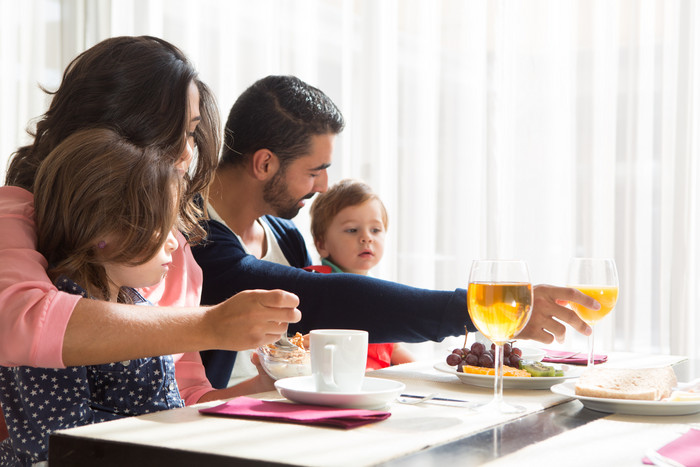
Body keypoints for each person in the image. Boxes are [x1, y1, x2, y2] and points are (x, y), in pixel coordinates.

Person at [193, 75, 598, 389]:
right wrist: (478, 308)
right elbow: (327, 300)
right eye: (315, 171)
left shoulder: (285, 235)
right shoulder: (194, 238)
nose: (323, 187)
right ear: (264, 164)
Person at [0, 37, 299, 380]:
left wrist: (265, 386)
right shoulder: (14, 212)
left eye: (191, 132)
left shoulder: (173, 249)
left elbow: (183, 397)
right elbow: (18, 323)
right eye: (175, 132)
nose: (188, 155)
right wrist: (208, 324)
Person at [2, 128, 198, 464]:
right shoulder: (60, 326)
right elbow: (59, 443)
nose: (173, 242)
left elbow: (168, 406)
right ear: (103, 234)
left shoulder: (138, 303)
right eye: (160, 226)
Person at [307, 179, 414, 369]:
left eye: (375, 229)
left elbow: (394, 349)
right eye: (352, 230)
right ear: (321, 244)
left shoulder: (380, 291)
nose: (367, 238)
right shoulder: (315, 287)